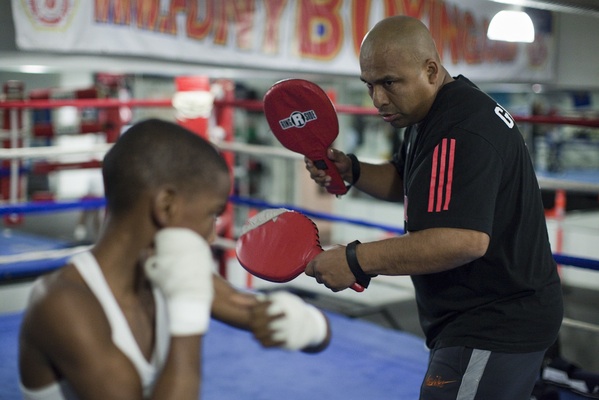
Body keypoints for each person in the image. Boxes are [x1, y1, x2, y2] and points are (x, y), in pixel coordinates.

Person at [304, 16, 563, 400]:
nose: (378, 99)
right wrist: (354, 170)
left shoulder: (461, 127)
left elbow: (462, 239)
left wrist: (355, 260)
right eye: (369, 85)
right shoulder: (431, 115)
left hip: (495, 321)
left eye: (389, 83)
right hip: (477, 316)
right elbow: (411, 182)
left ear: (430, 70)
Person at [19, 118, 331, 400]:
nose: (212, 236)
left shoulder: (167, 268)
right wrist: (187, 312)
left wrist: (307, 324)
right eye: (212, 214)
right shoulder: (63, 305)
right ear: (166, 206)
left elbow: (287, 325)